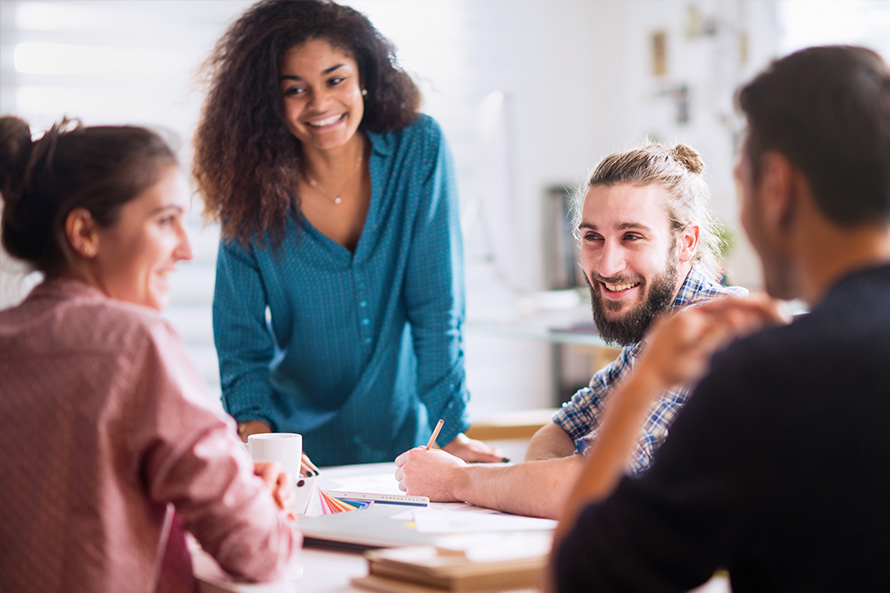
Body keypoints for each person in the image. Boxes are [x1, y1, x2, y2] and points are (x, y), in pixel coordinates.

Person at [553, 45, 890, 592]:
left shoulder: (766, 373)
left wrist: (640, 391)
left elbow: (586, 577)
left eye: (742, 179)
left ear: (777, 187)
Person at [192, 0, 501, 467]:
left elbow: (437, 306)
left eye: (335, 80)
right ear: (268, 101)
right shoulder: (250, 189)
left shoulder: (418, 151)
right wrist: (260, 444)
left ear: (364, 77)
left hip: (411, 446)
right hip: (296, 456)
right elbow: (240, 341)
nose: (319, 104)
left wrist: (451, 431)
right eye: (295, 89)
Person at [0, 116, 302, 593]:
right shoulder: (135, 344)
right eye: (165, 221)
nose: (185, 249)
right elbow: (259, 552)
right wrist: (260, 506)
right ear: (84, 233)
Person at [394, 142, 746, 519]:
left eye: (632, 237)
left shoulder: (707, 331)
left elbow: (590, 487)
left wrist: (458, 481)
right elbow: (558, 431)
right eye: (593, 237)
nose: (608, 266)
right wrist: (548, 480)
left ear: (686, 243)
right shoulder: (654, 330)